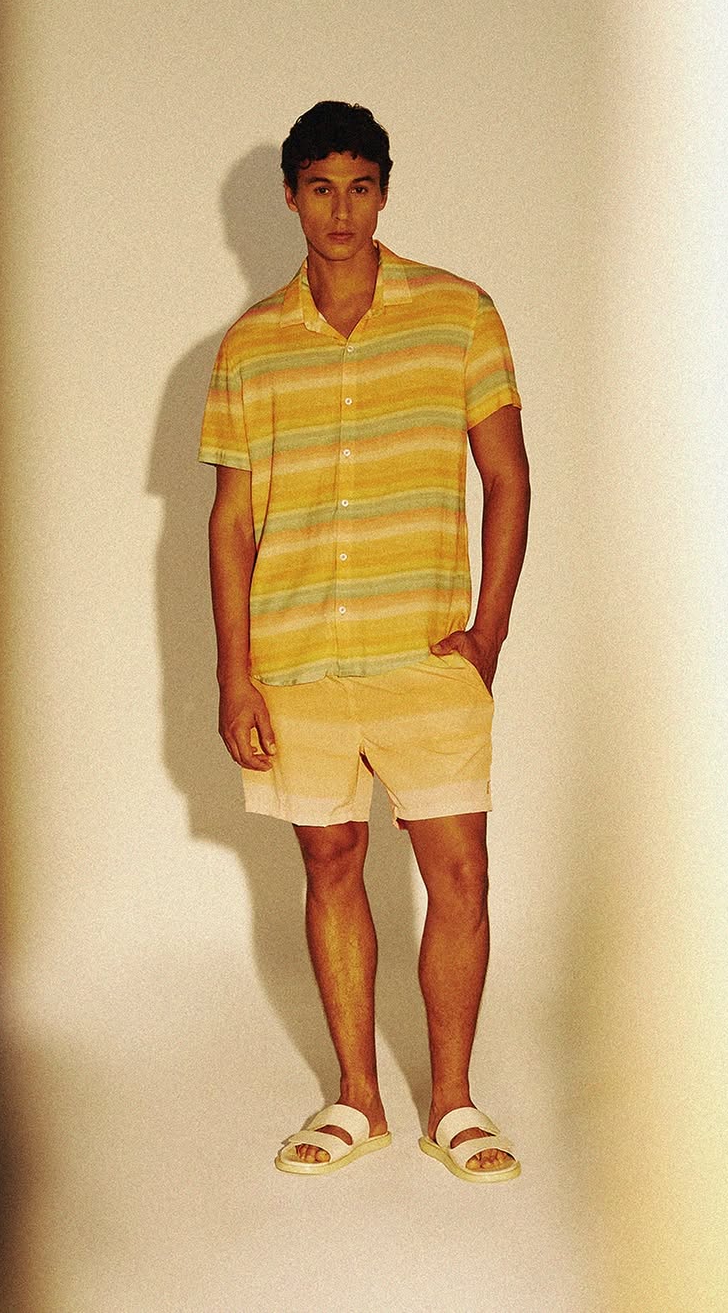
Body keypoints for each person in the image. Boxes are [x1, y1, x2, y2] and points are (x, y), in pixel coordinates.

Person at [199, 101, 530, 1182]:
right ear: (290, 197)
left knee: (460, 871)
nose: (341, 210)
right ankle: (357, 1101)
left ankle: (455, 1105)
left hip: (425, 654)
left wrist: (489, 630)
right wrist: (235, 675)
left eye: (360, 187)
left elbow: (508, 477)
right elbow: (231, 522)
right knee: (330, 861)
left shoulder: (459, 313)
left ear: (384, 192)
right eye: (320, 188)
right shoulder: (251, 345)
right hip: (298, 659)